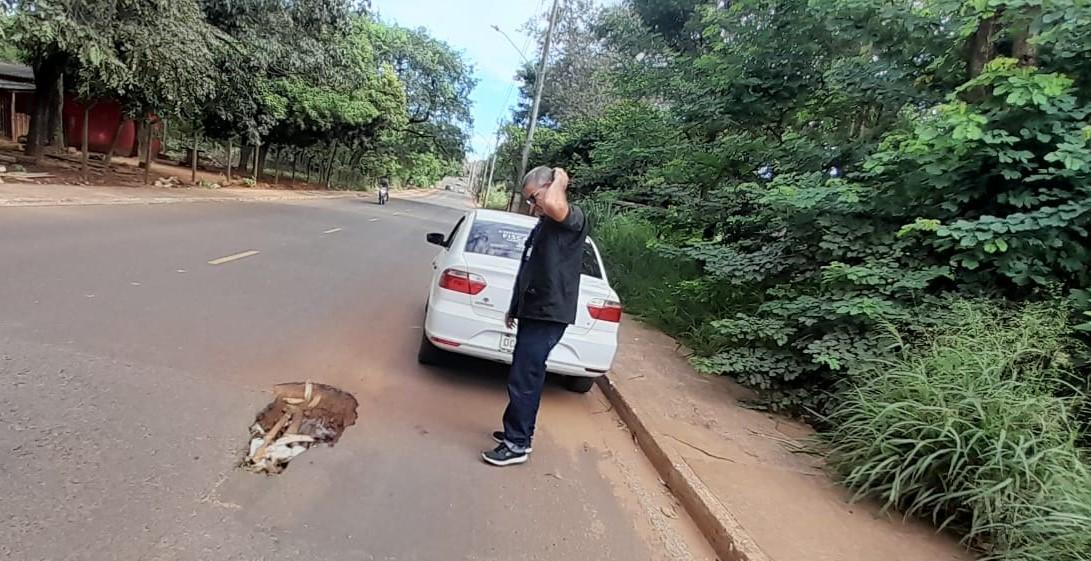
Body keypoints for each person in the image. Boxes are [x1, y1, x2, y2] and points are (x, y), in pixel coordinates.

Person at [483, 165, 589, 467]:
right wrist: (515, 307)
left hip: (549, 313)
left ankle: (517, 443)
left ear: (551, 187)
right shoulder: (544, 224)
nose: (533, 206)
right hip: (534, 310)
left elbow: (555, 203)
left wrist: (559, 178)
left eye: (534, 198)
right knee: (522, 372)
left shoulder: (570, 219)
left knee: (525, 376)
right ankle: (515, 432)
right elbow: (530, 268)